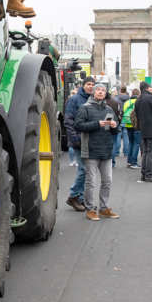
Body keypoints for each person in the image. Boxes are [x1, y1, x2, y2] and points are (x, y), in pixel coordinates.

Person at [75, 83, 121, 221]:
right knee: (91, 182)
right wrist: (98, 124)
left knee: (107, 181)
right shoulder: (85, 108)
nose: (100, 92)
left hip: (106, 150)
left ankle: (103, 208)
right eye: (98, 90)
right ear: (93, 93)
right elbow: (78, 125)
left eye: (103, 90)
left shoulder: (109, 109)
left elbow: (115, 130)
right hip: (91, 150)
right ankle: (90, 209)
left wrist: (114, 126)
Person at [64, 77, 95, 211]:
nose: (91, 87)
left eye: (93, 84)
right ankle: (73, 196)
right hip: (78, 138)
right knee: (84, 169)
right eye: (88, 84)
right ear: (83, 85)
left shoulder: (92, 100)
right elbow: (68, 120)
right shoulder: (74, 99)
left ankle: (81, 198)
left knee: (85, 169)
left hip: (88, 139)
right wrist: (74, 138)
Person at [123, 88, 141, 169]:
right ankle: (134, 162)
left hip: (128, 124)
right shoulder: (139, 102)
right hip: (136, 125)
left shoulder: (127, 102)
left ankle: (129, 161)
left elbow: (124, 111)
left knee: (131, 142)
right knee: (137, 143)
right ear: (139, 94)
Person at [105, 89, 123, 166]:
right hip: (113, 123)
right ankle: (112, 161)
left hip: (103, 126)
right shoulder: (114, 102)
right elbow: (119, 113)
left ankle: (106, 161)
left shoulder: (100, 103)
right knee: (113, 143)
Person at [115, 86, 130, 157]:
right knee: (126, 136)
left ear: (120, 90)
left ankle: (117, 152)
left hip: (119, 118)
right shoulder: (129, 99)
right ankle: (126, 152)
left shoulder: (117, 99)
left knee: (118, 135)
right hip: (127, 118)